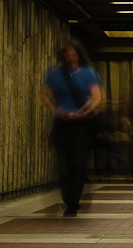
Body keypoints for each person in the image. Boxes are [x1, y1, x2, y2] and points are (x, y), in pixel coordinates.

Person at [40, 41, 103, 216]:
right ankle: (68, 196)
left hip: (81, 126)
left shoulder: (89, 73)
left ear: (79, 55)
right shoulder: (53, 73)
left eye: (73, 54)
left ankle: (73, 202)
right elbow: (46, 96)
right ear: (61, 56)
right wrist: (57, 110)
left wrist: (82, 113)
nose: (69, 57)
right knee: (63, 165)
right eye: (66, 54)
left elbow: (96, 97)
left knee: (78, 164)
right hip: (61, 123)